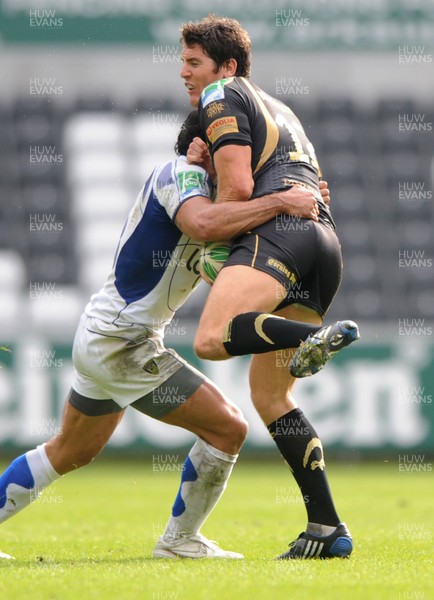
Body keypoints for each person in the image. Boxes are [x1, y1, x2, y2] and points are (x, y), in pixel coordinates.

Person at [0, 110, 322, 561]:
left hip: (108, 333)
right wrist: (281, 203)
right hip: (122, 342)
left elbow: (228, 262)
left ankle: (180, 540)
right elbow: (204, 226)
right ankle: (179, 540)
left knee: (68, 451)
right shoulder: (181, 175)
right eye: (236, 155)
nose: (244, 167)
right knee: (228, 428)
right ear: (203, 149)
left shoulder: (218, 202)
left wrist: (306, 203)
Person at [179, 15, 359, 559]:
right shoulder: (280, 110)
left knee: (210, 338)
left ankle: (308, 339)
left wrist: (216, 231)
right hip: (323, 244)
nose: (184, 73)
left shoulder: (220, 95)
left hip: (280, 236)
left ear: (226, 66)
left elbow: (237, 186)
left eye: (194, 62)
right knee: (272, 396)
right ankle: (326, 528)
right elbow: (301, 183)